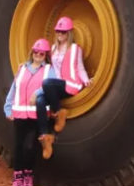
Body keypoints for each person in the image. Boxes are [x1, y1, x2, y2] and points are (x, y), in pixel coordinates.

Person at [34, 16, 92, 155]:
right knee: (39, 101)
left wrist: (86, 80)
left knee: (47, 83)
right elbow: (45, 65)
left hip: (70, 83)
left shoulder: (74, 48)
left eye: (63, 32)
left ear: (69, 33)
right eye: (58, 31)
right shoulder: (53, 48)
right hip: (56, 85)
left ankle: (59, 112)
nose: (60, 34)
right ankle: (46, 137)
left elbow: (79, 67)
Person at [3, 38, 51, 186]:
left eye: (41, 53)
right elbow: (14, 88)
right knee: (18, 146)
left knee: (29, 147)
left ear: (46, 55)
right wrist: (8, 107)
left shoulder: (49, 71)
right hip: (19, 114)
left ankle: (28, 176)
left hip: (36, 115)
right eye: (36, 52)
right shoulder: (23, 69)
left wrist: (38, 94)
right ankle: (18, 178)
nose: (38, 55)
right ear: (32, 52)